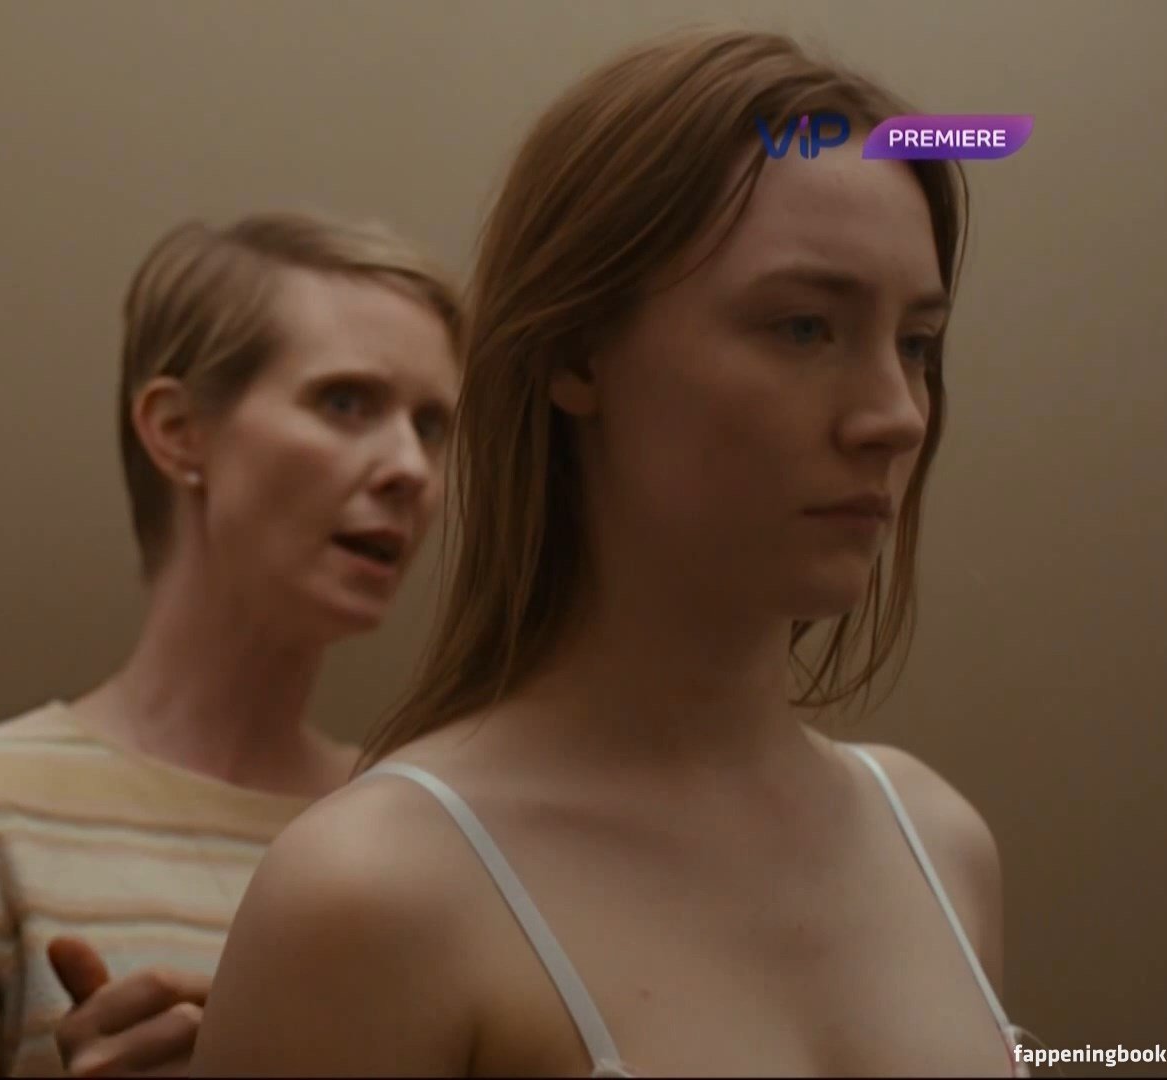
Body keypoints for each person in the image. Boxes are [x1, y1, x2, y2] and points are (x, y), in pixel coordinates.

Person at [194, 28, 1029, 1078]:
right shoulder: (376, 894)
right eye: (805, 328)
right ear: (576, 354)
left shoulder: (940, 843)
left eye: (916, 344)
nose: (895, 415)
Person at [0, 209, 463, 1077]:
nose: (411, 468)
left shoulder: (428, 834)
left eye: (432, 425)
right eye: (345, 402)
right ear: (178, 431)